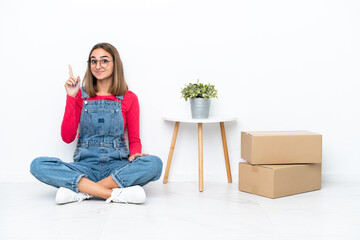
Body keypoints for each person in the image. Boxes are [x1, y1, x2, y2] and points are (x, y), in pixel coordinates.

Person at [30, 43, 163, 204]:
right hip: (85, 167)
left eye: (104, 61)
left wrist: (135, 154)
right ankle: (114, 194)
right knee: (37, 165)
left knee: (154, 164)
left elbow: (134, 139)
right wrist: (71, 97)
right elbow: (67, 137)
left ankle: (83, 192)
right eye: (93, 61)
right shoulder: (80, 95)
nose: (98, 66)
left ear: (115, 65)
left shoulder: (129, 98)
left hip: (116, 167)